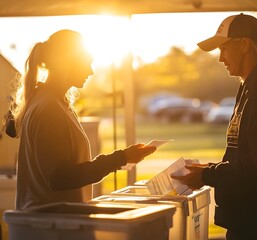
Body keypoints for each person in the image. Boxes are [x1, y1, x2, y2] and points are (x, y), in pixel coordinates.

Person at [172, 13, 257, 240]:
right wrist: (211, 169)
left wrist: (208, 175)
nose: (220, 58)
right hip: (248, 221)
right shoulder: (250, 87)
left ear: (244, 45)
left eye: (224, 49)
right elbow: (246, 155)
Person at [11, 29, 156, 210]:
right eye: (86, 63)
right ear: (66, 63)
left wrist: (122, 158)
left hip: (56, 222)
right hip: (49, 226)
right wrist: (120, 158)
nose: (91, 71)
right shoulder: (49, 109)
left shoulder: (54, 103)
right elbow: (60, 178)